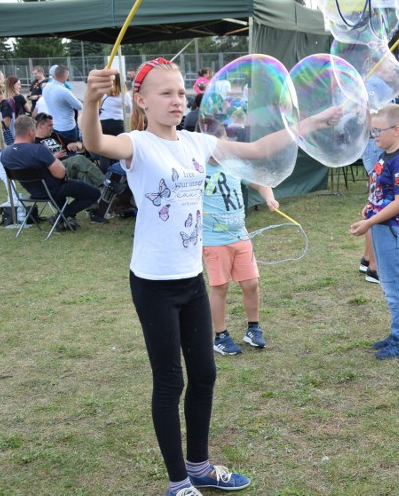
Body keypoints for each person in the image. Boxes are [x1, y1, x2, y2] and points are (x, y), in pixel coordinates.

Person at [81, 57, 335, 494]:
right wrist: (90, 100)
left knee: (204, 375)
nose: (177, 100)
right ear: (141, 100)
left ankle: (198, 466)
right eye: (165, 93)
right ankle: (179, 482)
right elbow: (94, 141)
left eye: (181, 92)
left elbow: (256, 152)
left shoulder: (198, 143)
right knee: (170, 381)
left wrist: (308, 124)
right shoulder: (136, 144)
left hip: (191, 279)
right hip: (153, 284)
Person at [196, 118, 278, 356]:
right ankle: (220, 336)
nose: (217, 152)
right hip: (213, 240)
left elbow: (259, 182)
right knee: (219, 287)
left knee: (251, 283)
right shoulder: (196, 169)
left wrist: (269, 196)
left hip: (240, 235)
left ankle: (253, 328)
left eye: (221, 145)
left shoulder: (233, 164)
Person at [349, 104, 399, 360]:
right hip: (382, 227)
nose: (374, 135)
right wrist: (368, 211)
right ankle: (397, 332)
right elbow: (380, 192)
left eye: (379, 130)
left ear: (398, 129)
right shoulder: (385, 155)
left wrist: (369, 222)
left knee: (393, 286)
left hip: (395, 231)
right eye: (372, 131)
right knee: (388, 284)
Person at [1, 116, 100, 231]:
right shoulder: (39, 150)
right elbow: (61, 174)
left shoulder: (5, 153)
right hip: (53, 189)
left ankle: (64, 219)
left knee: (64, 187)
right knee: (94, 193)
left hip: (33, 191)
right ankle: (60, 217)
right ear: (30, 132)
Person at [42, 65, 83, 143]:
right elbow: (79, 106)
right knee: (72, 149)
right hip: (67, 126)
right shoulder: (64, 91)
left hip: (54, 124)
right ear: (65, 75)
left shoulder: (46, 87)